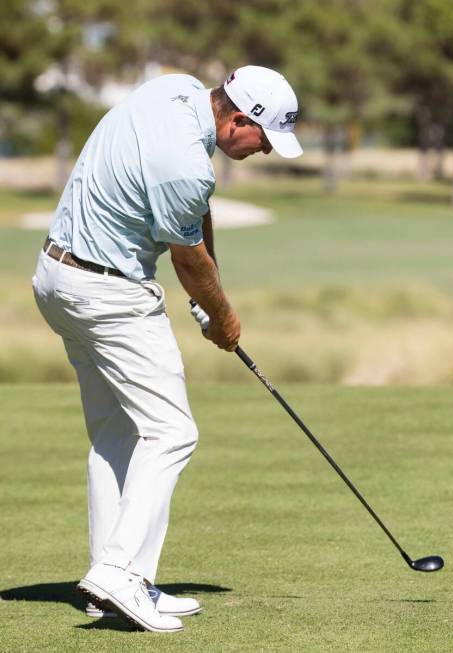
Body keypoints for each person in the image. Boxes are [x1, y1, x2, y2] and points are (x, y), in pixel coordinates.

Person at [32, 65, 302, 633]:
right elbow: (187, 259)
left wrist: (212, 290)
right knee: (173, 432)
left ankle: (111, 586)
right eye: (265, 139)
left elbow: (197, 217)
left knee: (119, 434)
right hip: (110, 293)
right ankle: (120, 572)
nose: (267, 152)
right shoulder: (186, 166)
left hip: (58, 277)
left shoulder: (175, 90)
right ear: (237, 121)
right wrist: (223, 317)